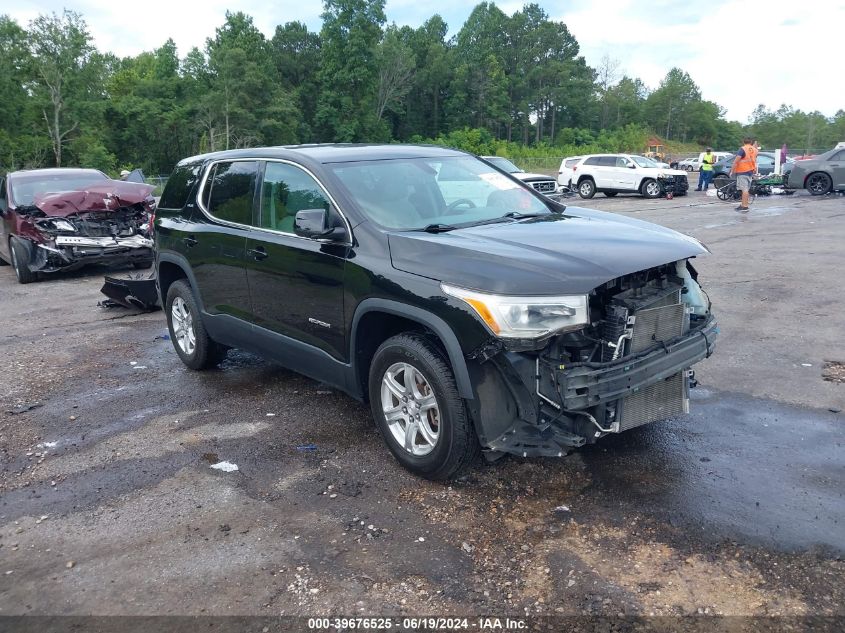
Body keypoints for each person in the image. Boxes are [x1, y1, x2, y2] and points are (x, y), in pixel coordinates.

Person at [730, 137, 758, 212]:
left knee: (744, 189)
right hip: (750, 171)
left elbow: (736, 161)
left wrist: (732, 171)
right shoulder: (754, 150)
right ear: (751, 142)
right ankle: (743, 204)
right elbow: (755, 159)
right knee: (746, 189)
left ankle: (744, 206)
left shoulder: (742, 149)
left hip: (742, 171)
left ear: (743, 141)